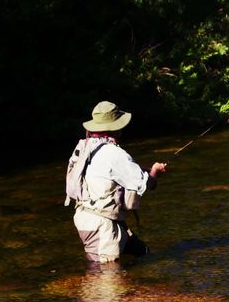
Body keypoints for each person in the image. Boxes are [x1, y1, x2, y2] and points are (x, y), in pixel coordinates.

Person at [68, 100, 166, 263]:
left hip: (89, 217)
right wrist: (155, 172)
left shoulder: (85, 146)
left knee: (143, 253)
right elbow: (145, 184)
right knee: (107, 278)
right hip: (101, 226)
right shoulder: (114, 153)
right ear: (115, 127)